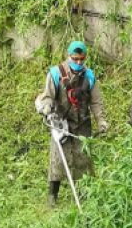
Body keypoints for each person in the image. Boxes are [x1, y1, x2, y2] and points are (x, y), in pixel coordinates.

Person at [35, 41, 108, 207]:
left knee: (83, 159)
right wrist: (47, 108)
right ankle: (52, 195)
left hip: (82, 123)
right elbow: (47, 96)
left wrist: (101, 120)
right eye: (75, 59)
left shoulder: (90, 76)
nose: (79, 63)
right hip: (61, 122)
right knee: (58, 159)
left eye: (82, 59)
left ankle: (83, 193)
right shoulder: (55, 74)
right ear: (69, 57)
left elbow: (96, 102)